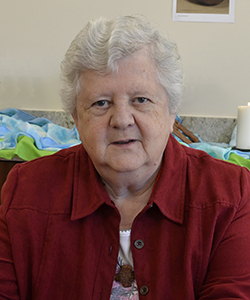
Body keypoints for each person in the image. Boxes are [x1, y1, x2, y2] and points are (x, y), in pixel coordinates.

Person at [0, 15, 250, 300]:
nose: (121, 120)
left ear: (172, 113)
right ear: (76, 120)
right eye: (100, 103)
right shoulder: (26, 192)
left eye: (140, 100)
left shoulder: (232, 196)